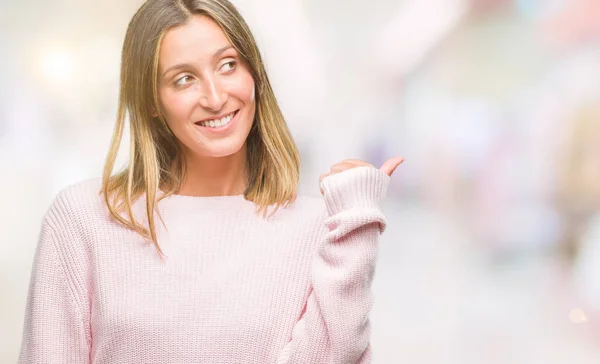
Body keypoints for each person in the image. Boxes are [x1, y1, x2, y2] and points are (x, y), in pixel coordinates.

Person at [17, 0, 403, 363]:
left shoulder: (316, 227)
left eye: (228, 65)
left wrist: (355, 225)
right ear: (152, 99)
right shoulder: (82, 220)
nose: (216, 97)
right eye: (184, 79)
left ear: (253, 73)